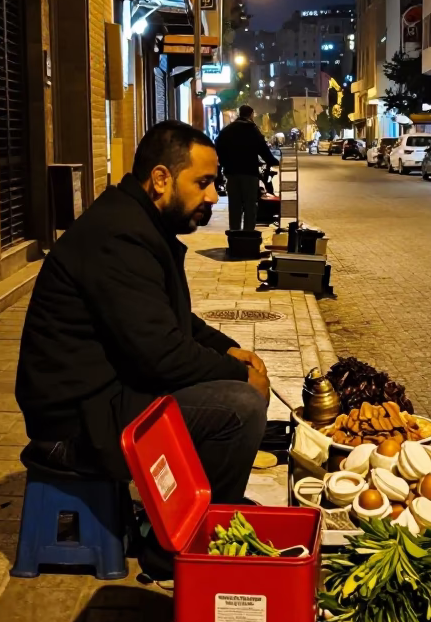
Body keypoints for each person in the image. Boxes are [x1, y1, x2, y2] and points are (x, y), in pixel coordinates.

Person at [15, 121, 270, 502]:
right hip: (76, 424)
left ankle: (201, 503)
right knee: (240, 407)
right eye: (203, 183)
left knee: (226, 384)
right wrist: (239, 376)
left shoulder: (138, 222)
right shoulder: (120, 236)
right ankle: (180, 548)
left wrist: (226, 349)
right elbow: (161, 355)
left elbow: (165, 320)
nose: (214, 197)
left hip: (103, 400)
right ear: (161, 178)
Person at [215, 104, 279, 232]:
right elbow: (263, 149)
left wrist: (223, 164)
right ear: (251, 115)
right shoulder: (252, 130)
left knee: (235, 205)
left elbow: (218, 146)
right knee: (250, 205)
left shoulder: (227, 130)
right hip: (249, 174)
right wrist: (272, 161)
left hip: (231, 173)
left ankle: (234, 233)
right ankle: (248, 234)